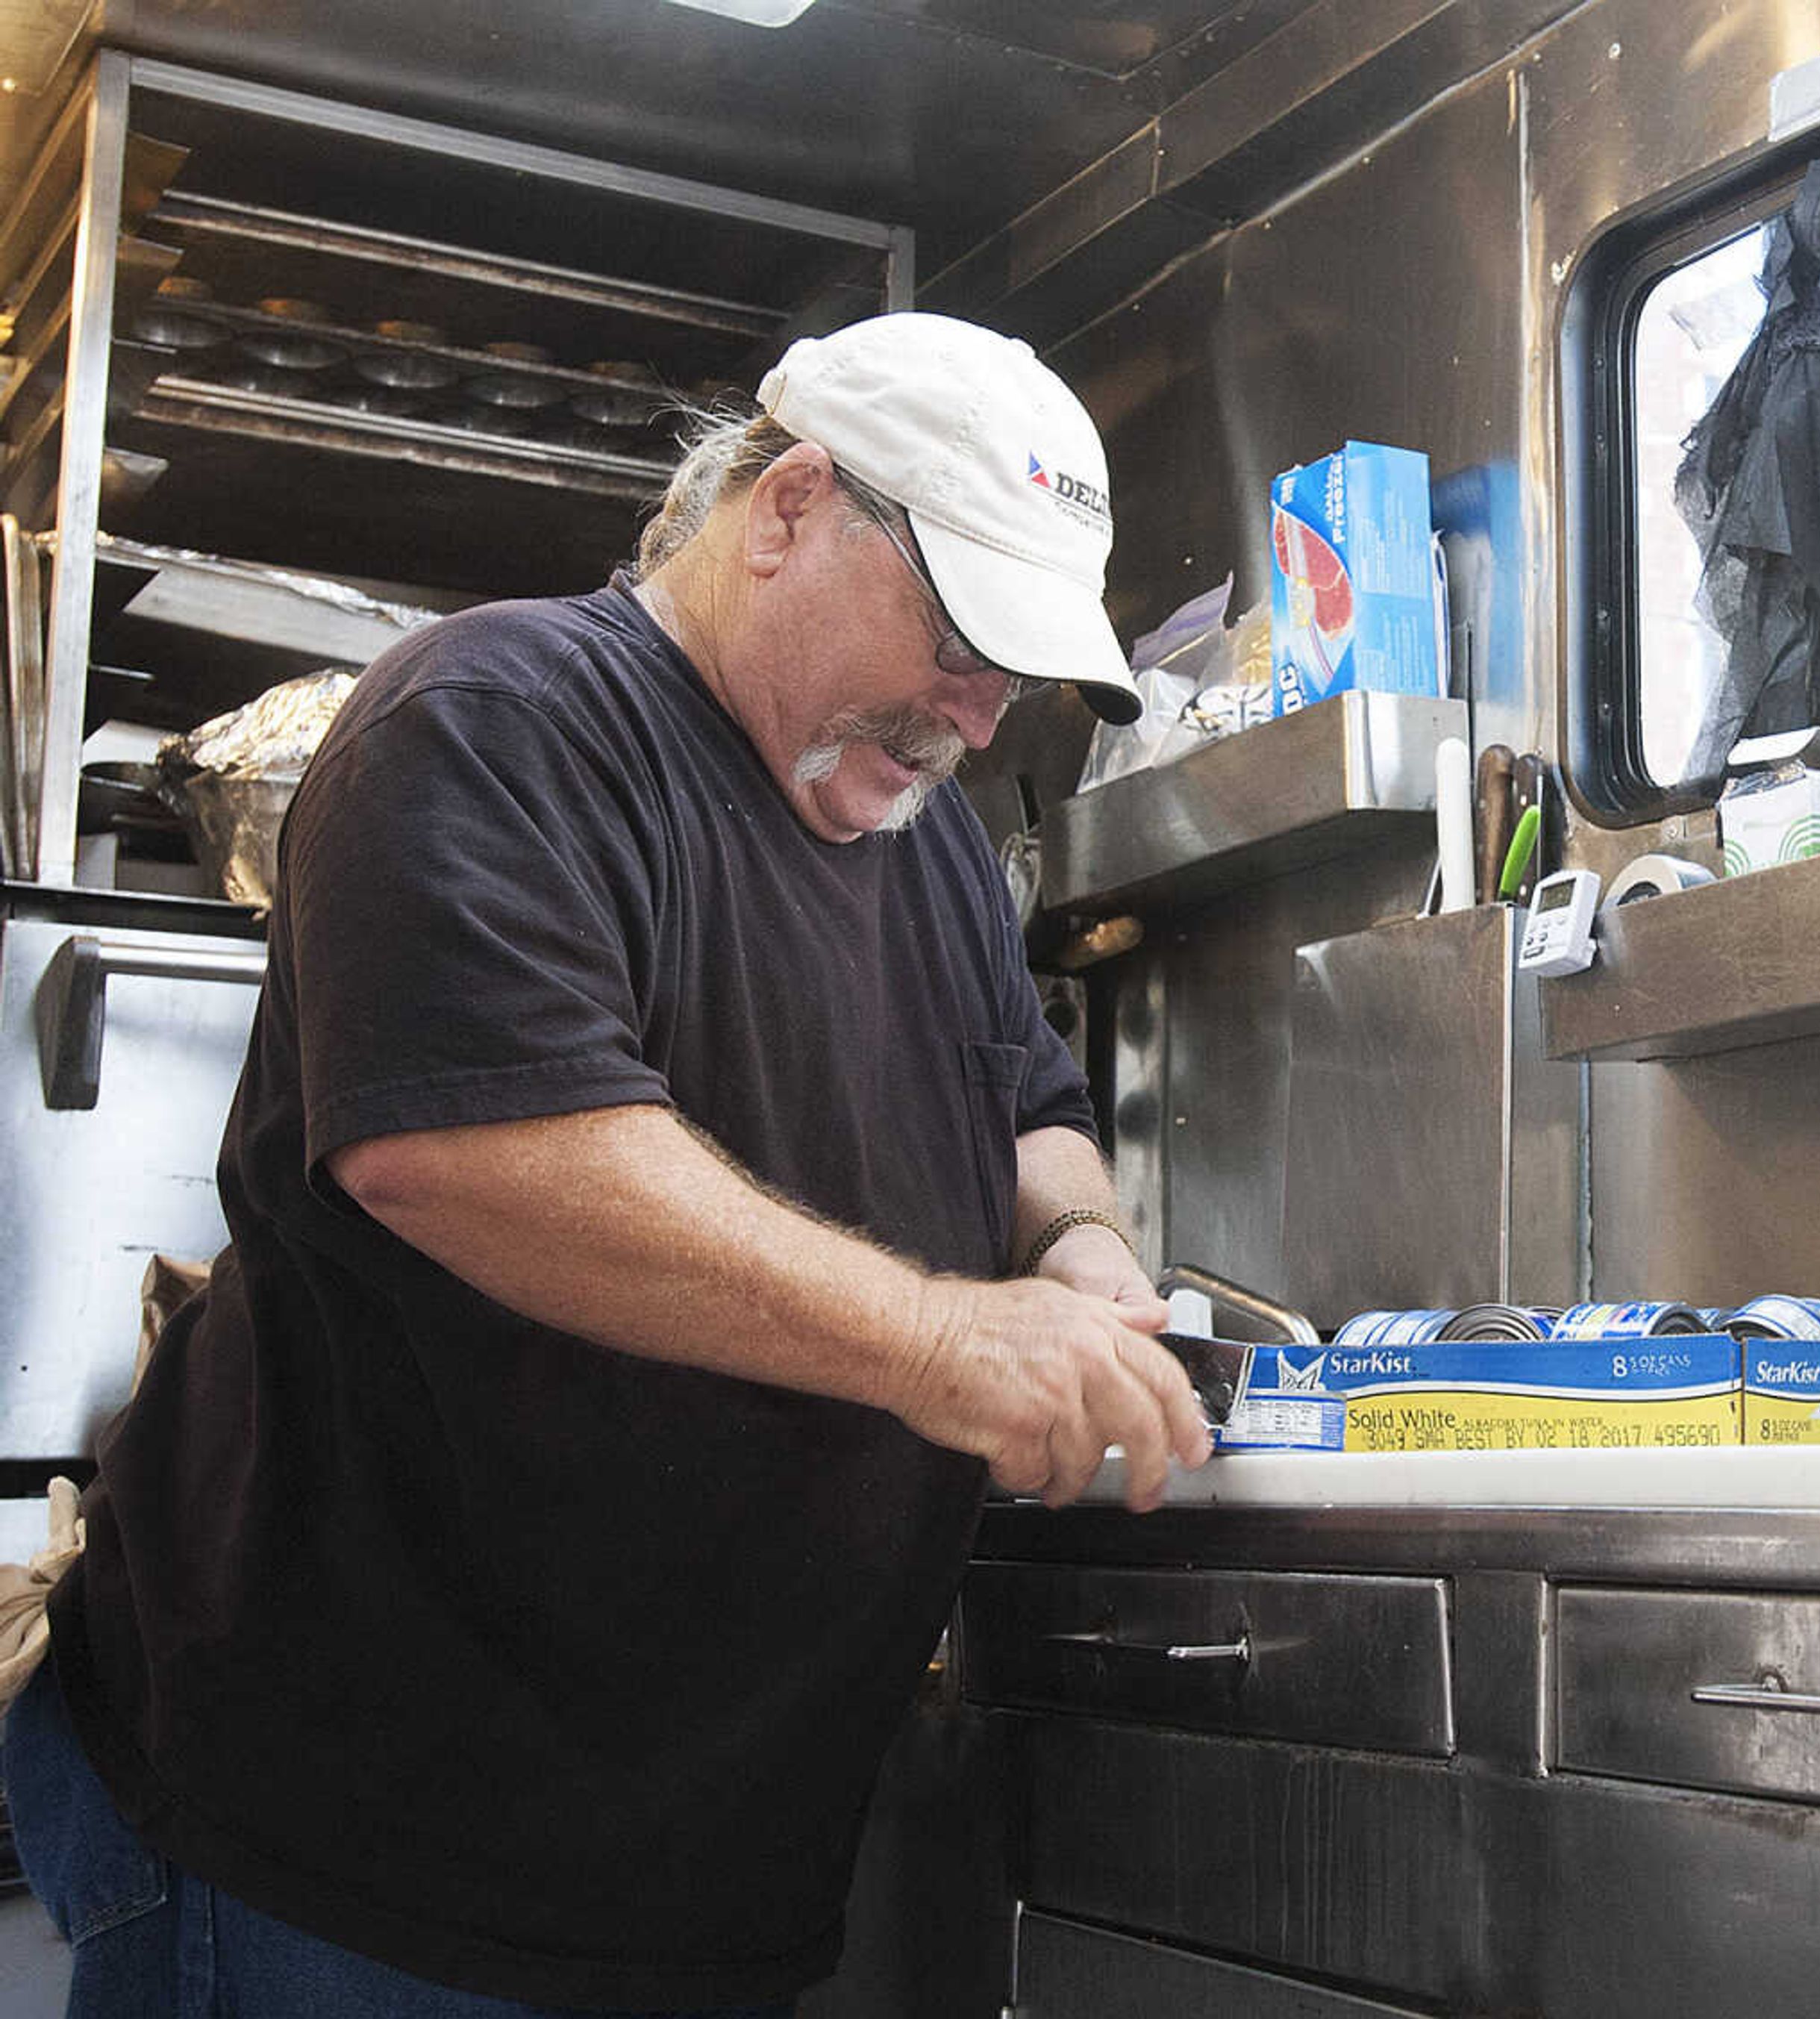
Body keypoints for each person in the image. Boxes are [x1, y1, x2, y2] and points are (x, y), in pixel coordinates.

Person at [3, 313, 1213, 2016]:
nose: (976, 709)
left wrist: (1081, 1245)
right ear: (789, 508)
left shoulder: (926, 837)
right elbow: (473, 1155)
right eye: (955, 635)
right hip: (351, 1858)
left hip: (688, 1889)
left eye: (1010, 671)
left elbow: (1023, 1089)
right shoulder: (497, 720)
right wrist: (950, 1339)